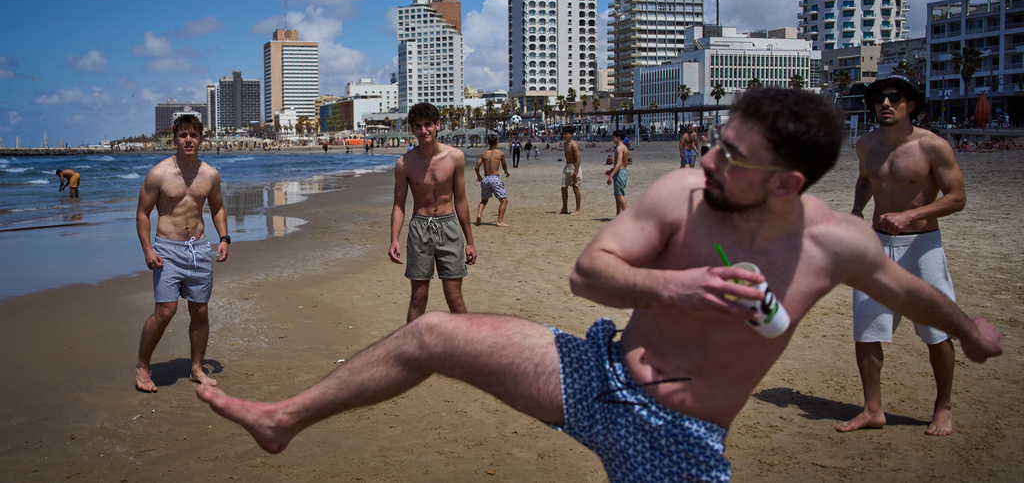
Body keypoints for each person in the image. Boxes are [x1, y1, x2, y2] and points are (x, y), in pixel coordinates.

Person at [196, 88, 1001, 481]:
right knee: (430, 333)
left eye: (731, 158)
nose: (708, 162)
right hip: (597, 374)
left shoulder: (840, 244)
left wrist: (968, 332)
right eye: (714, 144)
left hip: (678, 441)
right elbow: (590, 273)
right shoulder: (685, 193)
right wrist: (680, 290)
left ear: (789, 184)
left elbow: (910, 293)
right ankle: (283, 420)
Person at [837, 74, 968, 436]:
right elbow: (866, 181)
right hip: (878, 247)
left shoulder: (933, 146)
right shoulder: (865, 144)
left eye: (894, 97)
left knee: (936, 331)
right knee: (866, 328)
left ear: (910, 104)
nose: (885, 103)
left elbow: (957, 197)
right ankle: (872, 409)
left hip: (922, 247)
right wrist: (855, 212)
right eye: (879, 98)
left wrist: (911, 215)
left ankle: (943, 407)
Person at [135, 114, 229, 393]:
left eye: (194, 135)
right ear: (174, 139)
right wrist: (147, 249)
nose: (188, 140)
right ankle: (142, 366)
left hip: (199, 249)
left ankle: (196, 369)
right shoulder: (159, 174)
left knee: (200, 310)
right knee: (165, 311)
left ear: (201, 139)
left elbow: (217, 208)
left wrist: (224, 238)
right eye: (182, 135)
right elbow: (142, 213)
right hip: (167, 250)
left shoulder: (210, 174)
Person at [389, 102, 477, 323]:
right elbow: (399, 205)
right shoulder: (404, 164)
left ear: (438, 125)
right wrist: (394, 240)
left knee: (454, 298)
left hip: (450, 226)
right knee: (418, 298)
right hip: (420, 228)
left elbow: (461, 200)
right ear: (412, 129)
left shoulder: (455, 157)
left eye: (428, 124)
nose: (423, 130)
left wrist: (470, 241)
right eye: (418, 126)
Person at [475, 134, 510, 227]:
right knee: (504, 201)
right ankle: (500, 221)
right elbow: (504, 164)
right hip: (494, 178)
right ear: (497, 142)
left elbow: (476, 167)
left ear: (488, 143)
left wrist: (479, 176)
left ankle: (479, 214)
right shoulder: (500, 153)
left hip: (485, 179)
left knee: (483, 201)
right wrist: (506, 172)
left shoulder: (484, 154)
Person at [557, 126, 582, 215]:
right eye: (563, 134)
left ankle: (578, 209)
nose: (564, 135)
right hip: (567, 166)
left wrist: (575, 172)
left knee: (575, 187)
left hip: (574, 166)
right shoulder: (565, 144)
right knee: (563, 187)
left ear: (571, 135)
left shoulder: (574, 145)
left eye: (566, 134)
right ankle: (564, 208)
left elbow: (578, 159)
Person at [605, 130, 630, 215]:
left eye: (614, 137)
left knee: (619, 195)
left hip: (620, 172)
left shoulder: (619, 148)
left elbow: (619, 163)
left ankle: (626, 216)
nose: (613, 139)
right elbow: (623, 163)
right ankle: (618, 214)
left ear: (618, 138)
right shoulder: (625, 148)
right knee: (617, 194)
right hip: (622, 171)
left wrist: (611, 175)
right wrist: (612, 170)